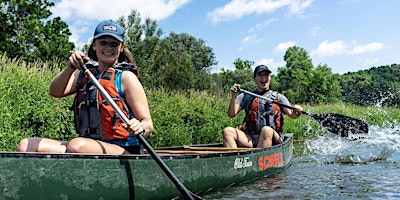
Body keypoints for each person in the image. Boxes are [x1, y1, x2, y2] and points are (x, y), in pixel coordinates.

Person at [17, 20, 153, 154]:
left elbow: (147, 123)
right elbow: (55, 91)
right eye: (103, 43)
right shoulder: (85, 74)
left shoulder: (126, 77)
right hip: (87, 145)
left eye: (114, 44)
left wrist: (140, 127)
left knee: (77, 145)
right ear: (94, 45)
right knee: (26, 146)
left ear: (121, 47)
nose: (108, 48)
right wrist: (69, 68)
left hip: (124, 149)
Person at [222, 65, 303, 148]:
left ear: (270, 78)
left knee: (266, 130)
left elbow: (292, 115)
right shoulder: (246, 96)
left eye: (266, 75)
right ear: (254, 79)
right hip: (251, 137)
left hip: (273, 138)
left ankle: (258, 159)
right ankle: (235, 159)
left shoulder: (279, 97)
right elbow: (231, 114)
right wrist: (234, 96)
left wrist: (297, 111)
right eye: (260, 75)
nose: (264, 77)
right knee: (227, 131)